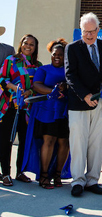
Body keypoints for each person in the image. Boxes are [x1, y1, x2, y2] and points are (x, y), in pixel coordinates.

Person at [65, 12, 102, 197]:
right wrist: (85, 95)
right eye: (85, 32)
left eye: (92, 31)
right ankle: (77, 181)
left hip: (101, 102)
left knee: (97, 143)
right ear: (81, 30)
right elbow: (70, 75)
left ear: (98, 30)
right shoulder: (72, 48)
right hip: (79, 103)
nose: (88, 35)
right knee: (78, 142)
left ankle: (92, 180)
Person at [0, 34, 42, 186]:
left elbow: (36, 86)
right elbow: (2, 79)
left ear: (35, 47)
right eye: (26, 43)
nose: (28, 46)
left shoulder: (37, 65)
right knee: (6, 141)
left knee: (24, 141)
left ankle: (19, 172)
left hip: (27, 109)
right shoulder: (10, 61)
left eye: (32, 44)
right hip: (10, 107)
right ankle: (5, 173)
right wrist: (15, 88)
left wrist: (29, 91)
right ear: (21, 44)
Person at [31, 38, 69, 189]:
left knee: (64, 142)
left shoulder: (69, 70)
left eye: (61, 54)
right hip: (47, 111)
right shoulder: (44, 69)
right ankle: (44, 176)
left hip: (65, 111)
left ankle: (58, 175)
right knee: (49, 141)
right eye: (55, 54)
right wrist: (53, 92)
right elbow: (36, 85)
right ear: (51, 54)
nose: (57, 56)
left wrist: (65, 86)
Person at [0, 26, 15, 180]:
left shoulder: (8, 51)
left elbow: (10, 74)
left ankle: (6, 173)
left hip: (5, 100)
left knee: (5, 138)